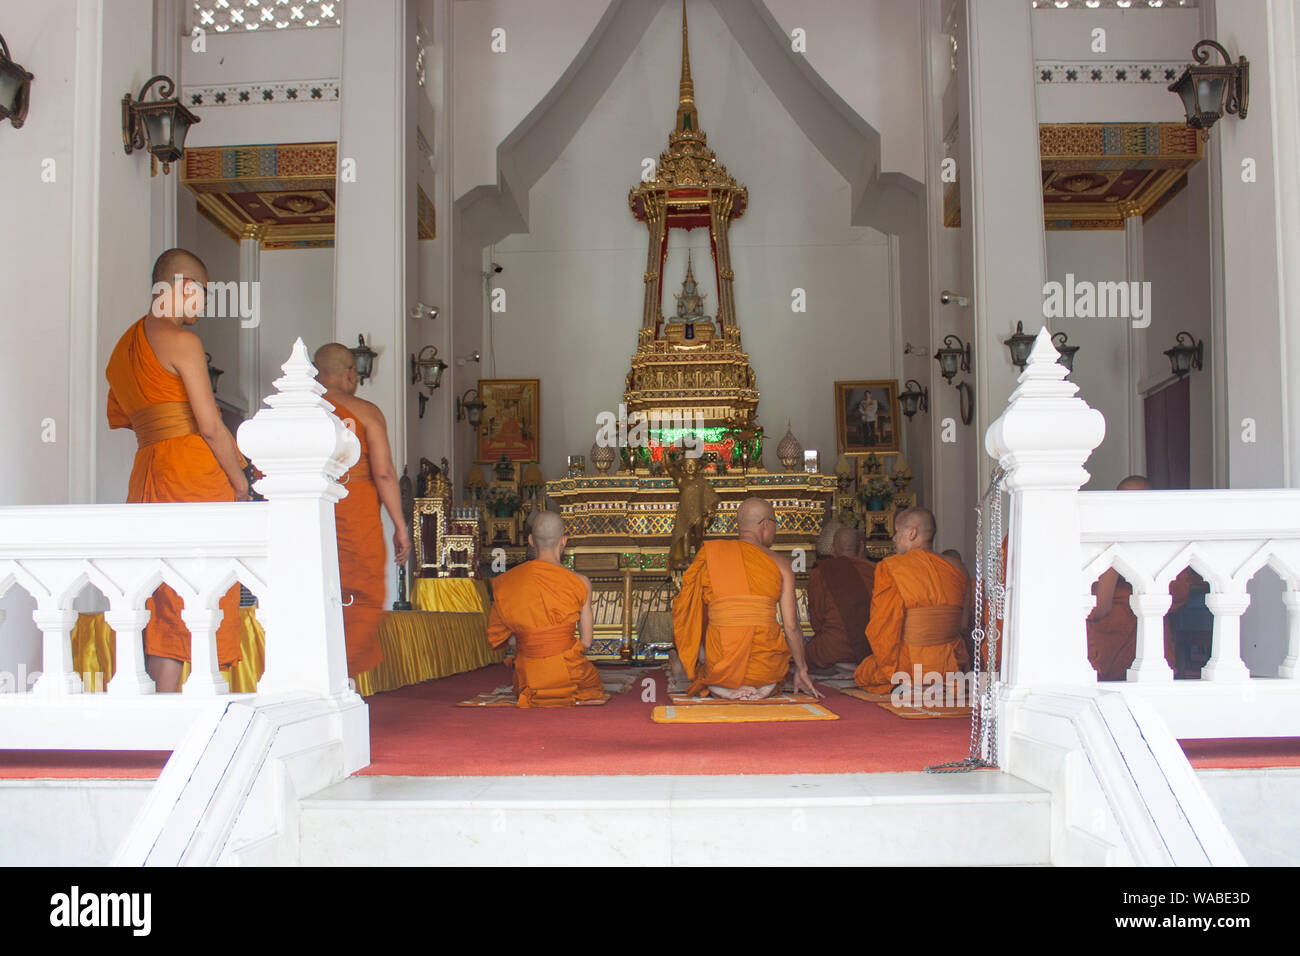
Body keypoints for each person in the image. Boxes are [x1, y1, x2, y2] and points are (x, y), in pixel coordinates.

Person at [105, 248, 250, 692]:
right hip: (191, 470)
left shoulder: (122, 347)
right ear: (182, 286)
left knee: (161, 585)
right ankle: (206, 699)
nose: (203, 305)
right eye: (202, 294)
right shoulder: (183, 342)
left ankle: (163, 701)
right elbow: (209, 425)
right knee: (207, 580)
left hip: (148, 469)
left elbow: (126, 415)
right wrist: (241, 481)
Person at [313, 343, 411, 677]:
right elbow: (384, 473)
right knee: (359, 592)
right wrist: (400, 525)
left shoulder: (302, 410)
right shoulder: (366, 412)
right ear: (351, 373)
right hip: (355, 507)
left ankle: (317, 674)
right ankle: (343, 678)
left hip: (308, 510)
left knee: (314, 587)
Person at [671, 496, 822, 700]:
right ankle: (762, 685)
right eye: (775, 525)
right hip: (764, 669)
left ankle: (721, 684)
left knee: (709, 634)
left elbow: (691, 615)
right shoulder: (781, 564)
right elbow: (792, 626)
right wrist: (801, 669)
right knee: (770, 669)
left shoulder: (711, 555)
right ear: (766, 524)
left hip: (721, 663)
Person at [485, 510, 604, 707]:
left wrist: (533, 643)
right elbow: (587, 641)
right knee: (592, 685)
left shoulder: (507, 582)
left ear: (531, 540)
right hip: (570, 674)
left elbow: (508, 639)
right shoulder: (580, 582)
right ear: (564, 540)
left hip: (528, 678)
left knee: (524, 673)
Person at [1087, 475, 1196, 680]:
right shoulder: (1109, 536)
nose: (1129, 508)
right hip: (1106, 633)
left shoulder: (1167, 540)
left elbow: (1179, 595)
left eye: (1137, 501)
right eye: (1123, 501)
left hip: (1148, 633)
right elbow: (1100, 605)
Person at [854, 507, 970, 694]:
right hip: (950, 666)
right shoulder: (958, 568)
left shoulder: (891, 567)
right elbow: (964, 625)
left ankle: (909, 682)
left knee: (864, 674)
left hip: (909, 665)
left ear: (912, 532)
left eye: (897, 532)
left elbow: (883, 629)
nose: (893, 538)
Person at [805, 527, 876, 670]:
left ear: (832, 549)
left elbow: (817, 620)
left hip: (832, 650)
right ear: (861, 547)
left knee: (803, 651)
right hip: (871, 649)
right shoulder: (876, 571)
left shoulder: (820, 573)